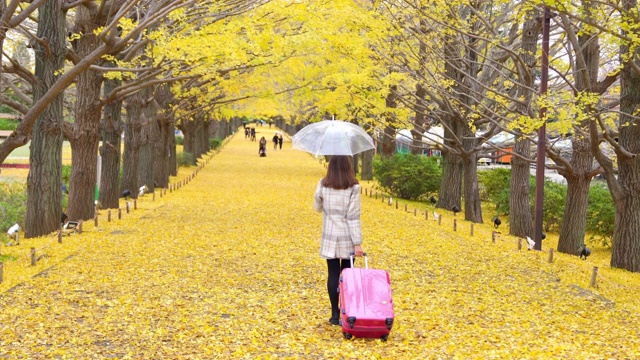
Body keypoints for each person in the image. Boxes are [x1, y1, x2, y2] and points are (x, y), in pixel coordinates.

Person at [313, 155, 364, 326]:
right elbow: (353, 216)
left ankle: (334, 314)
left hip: (330, 237)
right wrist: (358, 242)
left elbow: (317, 207)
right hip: (347, 238)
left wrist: (323, 203)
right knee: (347, 275)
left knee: (333, 274)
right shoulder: (353, 187)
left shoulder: (323, 183)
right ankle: (346, 310)